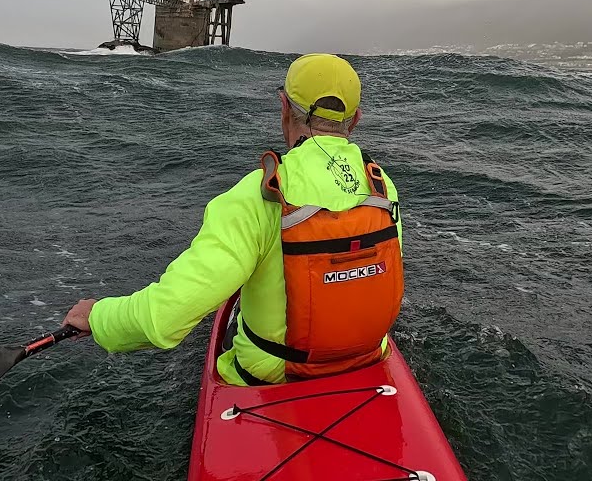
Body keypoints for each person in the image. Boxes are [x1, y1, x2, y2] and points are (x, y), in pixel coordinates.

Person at [62, 53, 404, 385]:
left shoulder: (260, 193)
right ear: (355, 119)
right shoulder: (382, 185)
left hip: (273, 376)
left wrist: (98, 317)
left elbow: (164, 319)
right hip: (368, 361)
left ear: (283, 108)